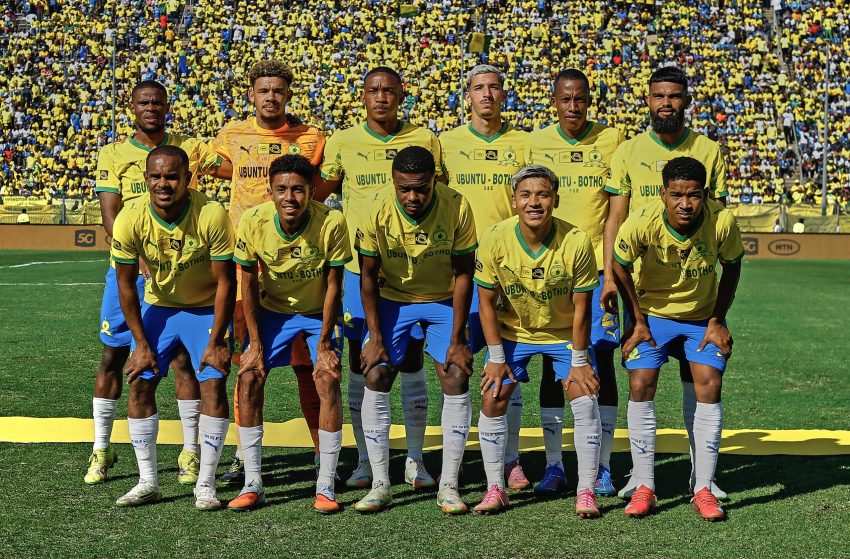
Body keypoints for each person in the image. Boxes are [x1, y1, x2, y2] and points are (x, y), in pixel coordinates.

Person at [86, 79, 228, 486]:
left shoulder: (190, 148)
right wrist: (143, 258)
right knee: (115, 355)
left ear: (168, 107)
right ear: (132, 107)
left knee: (183, 360)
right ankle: (101, 448)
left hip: (181, 269)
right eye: (143, 102)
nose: (151, 108)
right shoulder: (113, 153)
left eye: (158, 102)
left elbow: (237, 169)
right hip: (132, 268)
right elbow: (111, 216)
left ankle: (190, 452)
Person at [604, 66, 731, 500]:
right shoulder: (628, 151)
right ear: (648, 100)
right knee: (642, 378)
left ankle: (702, 476)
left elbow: (717, 219)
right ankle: (641, 476)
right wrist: (609, 275)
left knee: (699, 378)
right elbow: (615, 217)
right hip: (642, 291)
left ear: (686, 101)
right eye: (659, 95)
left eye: (674, 96)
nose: (666, 103)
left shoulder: (709, 151)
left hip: (695, 289)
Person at [318, 66, 445, 490]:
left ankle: (415, 460)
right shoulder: (342, 141)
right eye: (373, 90)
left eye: (389, 90)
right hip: (362, 272)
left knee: (411, 361)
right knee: (364, 362)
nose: (381, 97)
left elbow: (438, 195)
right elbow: (320, 195)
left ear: (401, 95)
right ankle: (364, 461)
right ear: (363, 96)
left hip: (414, 271)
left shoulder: (424, 139)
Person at [608, 156, 743, 521]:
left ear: (706, 195)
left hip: (701, 318)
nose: (685, 204)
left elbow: (732, 267)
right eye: (677, 195)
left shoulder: (722, 221)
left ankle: (703, 487)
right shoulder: (642, 221)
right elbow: (618, 264)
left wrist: (717, 320)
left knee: (709, 384)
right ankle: (644, 486)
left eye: (694, 195)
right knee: (641, 383)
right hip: (653, 315)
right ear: (663, 193)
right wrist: (637, 319)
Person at [212, 60, 326, 484]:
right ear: (252, 95)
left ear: (288, 94)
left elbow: (324, 185)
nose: (271, 97)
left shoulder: (311, 138)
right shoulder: (231, 135)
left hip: (298, 267)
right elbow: (209, 166)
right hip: (247, 269)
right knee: (247, 363)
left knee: (308, 368)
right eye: (264, 90)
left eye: (278, 90)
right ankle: (244, 455)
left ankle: (323, 453)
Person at [110, 145, 236, 510]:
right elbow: (125, 285)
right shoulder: (130, 217)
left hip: (204, 309)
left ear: (187, 178)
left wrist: (217, 339)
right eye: (156, 176)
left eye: (171, 177)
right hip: (160, 307)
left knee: (213, 383)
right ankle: (148, 482)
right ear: (146, 179)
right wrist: (140, 344)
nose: (163, 184)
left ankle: (205, 485)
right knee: (139, 380)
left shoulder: (211, 213)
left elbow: (226, 282)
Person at [353, 146, 476, 514]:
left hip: (443, 299)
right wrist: (376, 338)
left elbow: (464, 273)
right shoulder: (374, 207)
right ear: (393, 181)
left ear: (434, 180)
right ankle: (380, 484)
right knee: (375, 372)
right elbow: (367, 276)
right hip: (393, 299)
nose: (412, 197)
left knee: (456, 373)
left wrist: (458, 339)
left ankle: (449, 486)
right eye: (404, 188)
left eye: (421, 189)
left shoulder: (457, 205)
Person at [474, 165, 602, 517]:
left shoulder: (577, 240)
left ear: (555, 200)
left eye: (543, 194)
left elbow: (582, 308)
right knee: (493, 394)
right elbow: (486, 303)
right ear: (514, 201)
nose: (534, 202)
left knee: (585, 398)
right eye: (526, 195)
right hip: (513, 334)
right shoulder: (494, 238)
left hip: (563, 335)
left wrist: (579, 362)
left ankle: (586, 491)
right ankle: (495, 488)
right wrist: (496, 357)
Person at [229, 154, 350, 514]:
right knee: (249, 376)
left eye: (298, 189)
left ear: (312, 191)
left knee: (326, 377)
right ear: (269, 191)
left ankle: (326, 483)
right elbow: (247, 283)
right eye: (281, 189)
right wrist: (254, 343)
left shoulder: (332, 221)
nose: (290, 197)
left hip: (317, 312)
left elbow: (334, 285)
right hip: (272, 311)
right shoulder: (253, 221)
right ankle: (253, 483)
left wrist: (325, 343)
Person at [525, 68, 623, 497]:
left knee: (601, 360)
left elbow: (616, 210)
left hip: (598, 272)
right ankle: (554, 465)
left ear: (589, 100)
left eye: (580, 99)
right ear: (554, 101)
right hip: (550, 271)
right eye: (565, 99)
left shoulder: (612, 139)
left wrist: (612, 272)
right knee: (554, 363)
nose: (573, 106)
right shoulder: (536, 142)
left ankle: (602, 466)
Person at [439, 64, 530, 489]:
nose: (487, 94)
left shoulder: (524, 144)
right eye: (479, 88)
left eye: (494, 87)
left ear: (504, 95)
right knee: (454, 366)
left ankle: (510, 460)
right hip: (457, 270)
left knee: (508, 367)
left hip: (509, 271)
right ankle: (452, 463)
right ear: (468, 95)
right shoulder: (446, 143)